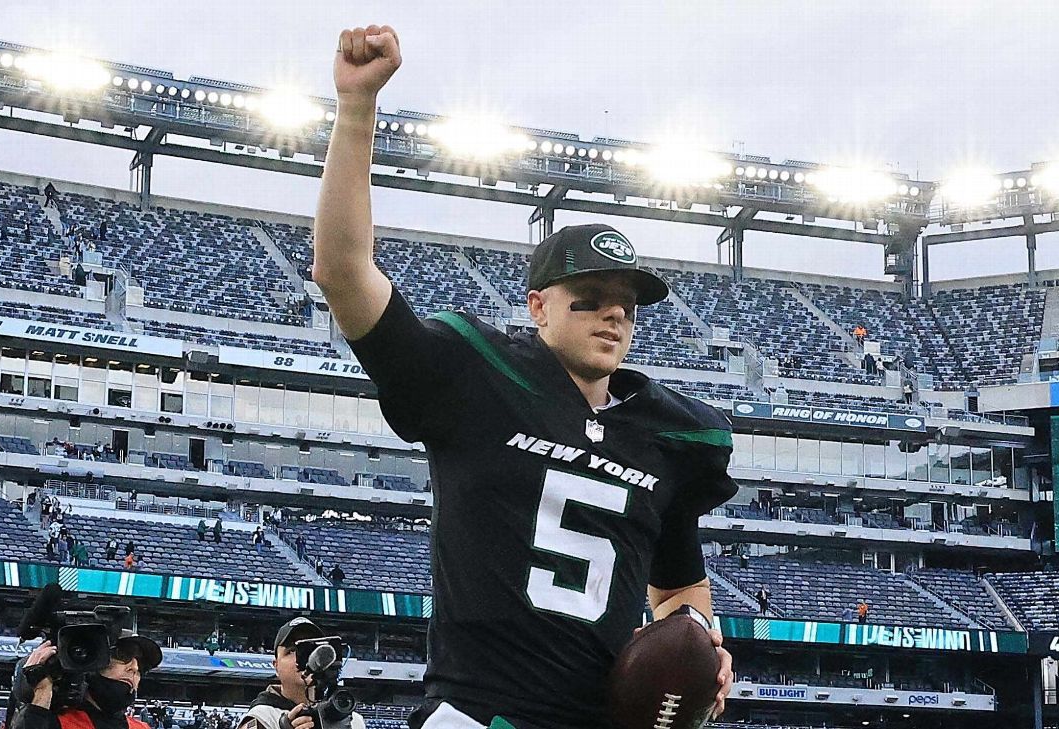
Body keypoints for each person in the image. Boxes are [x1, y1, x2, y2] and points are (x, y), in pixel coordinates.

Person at [315, 25, 735, 729]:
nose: (613, 317)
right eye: (590, 300)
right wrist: (357, 110)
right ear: (538, 307)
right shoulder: (476, 375)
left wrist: (703, 654)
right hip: (475, 716)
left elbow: (681, 590)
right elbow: (344, 274)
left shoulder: (666, 432)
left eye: (626, 306)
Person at [14, 629, 161, 729]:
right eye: (123, 656)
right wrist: (41, 693)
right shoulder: (55, 723)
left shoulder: (142, 727)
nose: (134, 667)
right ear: (91, 663)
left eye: (142, 666)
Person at [236, 617, 365, 729]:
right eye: (291, 650)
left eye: (311, 648)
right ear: (276, 666)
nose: (304, 657)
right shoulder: (263, 717)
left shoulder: (352, 720)